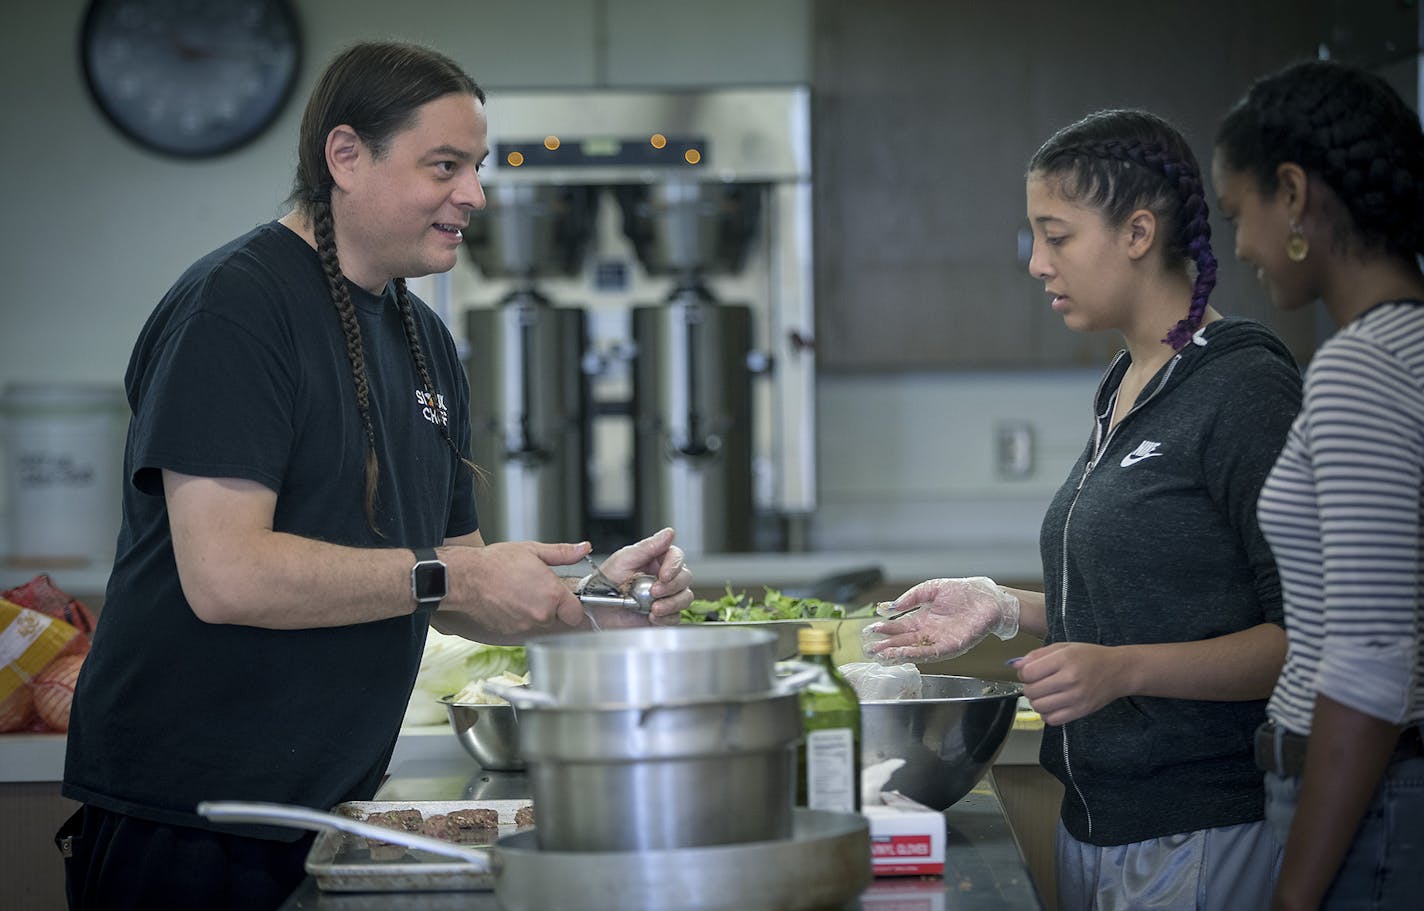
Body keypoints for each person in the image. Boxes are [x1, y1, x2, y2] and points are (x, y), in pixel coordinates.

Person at [57, 41, 693, 911]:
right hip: (192, 819)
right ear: (346, 156)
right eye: (445, 165)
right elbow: (226, 576)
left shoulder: (422, 338)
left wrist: (592, 603)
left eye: (477, 167)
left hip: (327, 808)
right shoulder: (235, 309)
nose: (473, 193)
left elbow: (457, 582)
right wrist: (454, 573)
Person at [864, 109, 1303, 910]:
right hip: (1098, 822)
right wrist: (1004, 606)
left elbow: (1305, 642)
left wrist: (1124, 668)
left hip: (1197, 828)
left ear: (1138, 232)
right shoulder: (1123, 382)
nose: (1036, 264)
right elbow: (1145, 597)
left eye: (1056, 236)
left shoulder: (1244, 388)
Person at [1211, 58, 1424, 911]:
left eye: (1241, 214)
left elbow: (1370, 665)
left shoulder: (1362, 368)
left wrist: (1294, 893)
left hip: (1362, 809)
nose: (1241, 248)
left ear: (1293, 195)